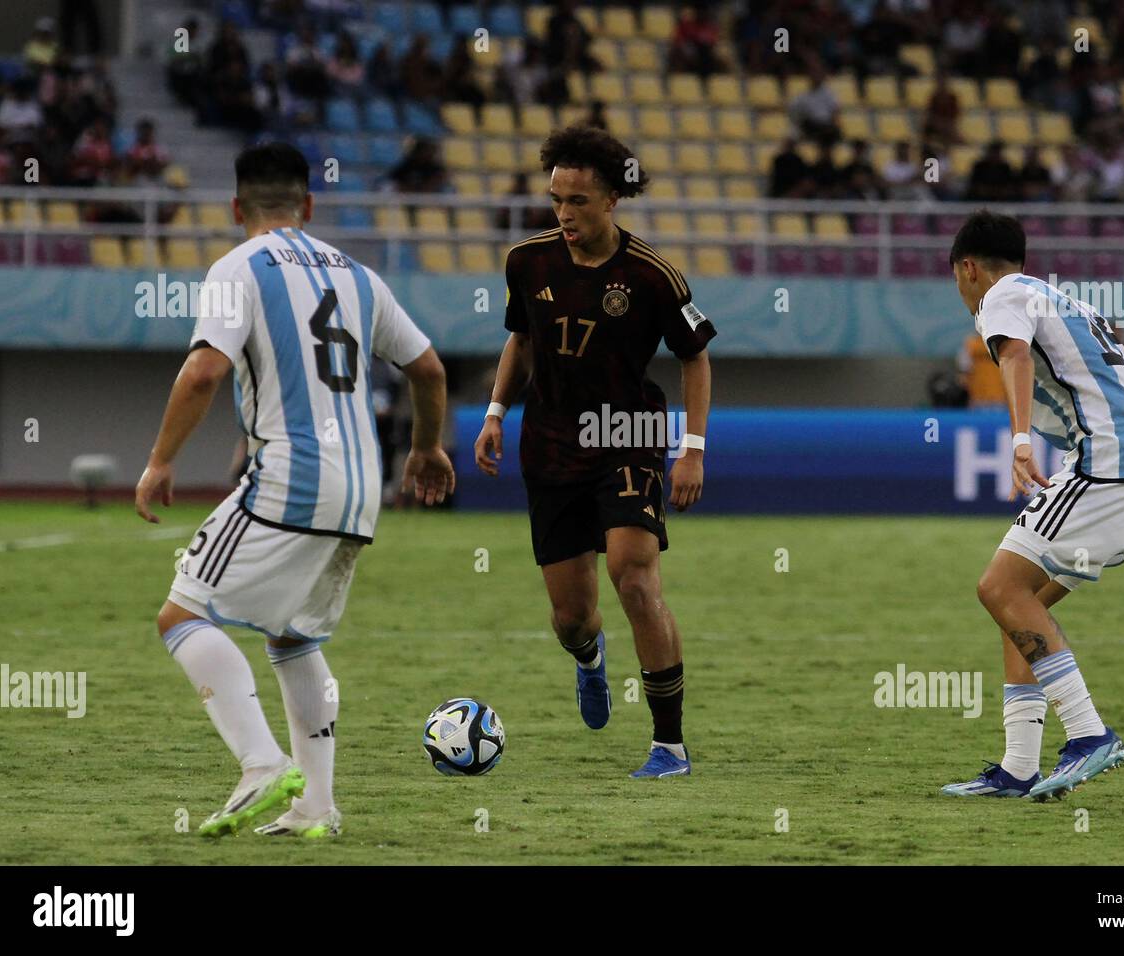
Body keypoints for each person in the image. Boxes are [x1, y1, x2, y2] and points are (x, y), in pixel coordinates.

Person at [134, 143, 455, 838]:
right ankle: (317, 806)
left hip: (294, 476)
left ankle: (259, 764)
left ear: (235, 207)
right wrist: (426, 447)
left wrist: (160, 460)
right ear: (309, 206)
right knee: (292, 634)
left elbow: (200, 375)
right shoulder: (359, 276)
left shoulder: (235, 268)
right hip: (362, 487)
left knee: (181, 613)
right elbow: (428, 369)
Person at [473, 125, 716, 779]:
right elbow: (520, 341)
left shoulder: (653, 275)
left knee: (634, 577)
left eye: (577, 201)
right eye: (556, 200)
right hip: (549, 443)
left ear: (611, 199)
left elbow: (695, 358)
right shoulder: (528, 262)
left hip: (627, 435)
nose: (564, 214)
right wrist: (495, 412)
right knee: (571, 616)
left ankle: (669, 746)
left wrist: (691, 450)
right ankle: (589, 659)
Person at [942, 210, 1124, 801]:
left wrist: (1019, 440)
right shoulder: (1066, 302)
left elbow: (1015, 357)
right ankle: (1019, 766)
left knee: (1000, 589)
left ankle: (1089, 734)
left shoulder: (1001, 295)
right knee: (1017, 606)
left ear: (969, 268)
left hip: (1105, 465)